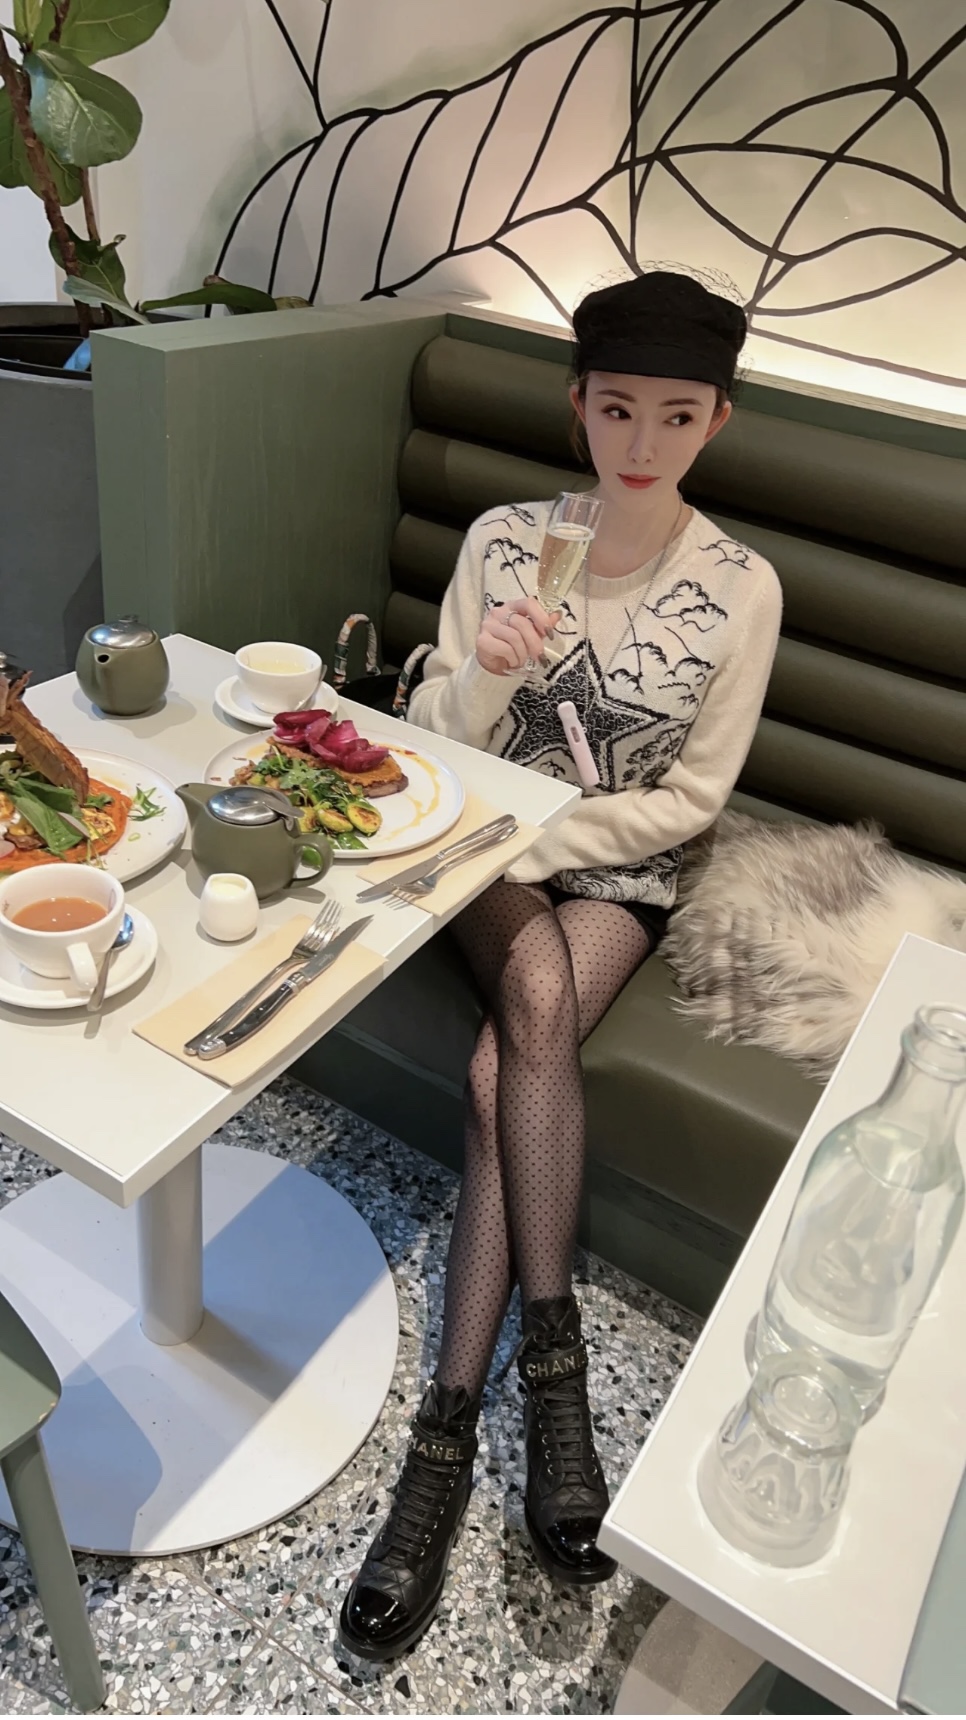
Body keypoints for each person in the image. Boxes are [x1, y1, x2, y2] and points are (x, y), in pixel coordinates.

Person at [339, 268, 783, 1661]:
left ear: (715, 421)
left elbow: (692, 801)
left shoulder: (740, 589)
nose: (641, 442)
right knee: (532, 996)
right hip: (475, 847)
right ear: (578, 406)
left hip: (614, 872)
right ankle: (557, 1381)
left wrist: (542, 832)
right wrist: (485, 675)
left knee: (504, 1063)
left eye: (675, 415)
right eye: (615, 409)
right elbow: (431, 740)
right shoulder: (506, 541)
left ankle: (447, 1433)